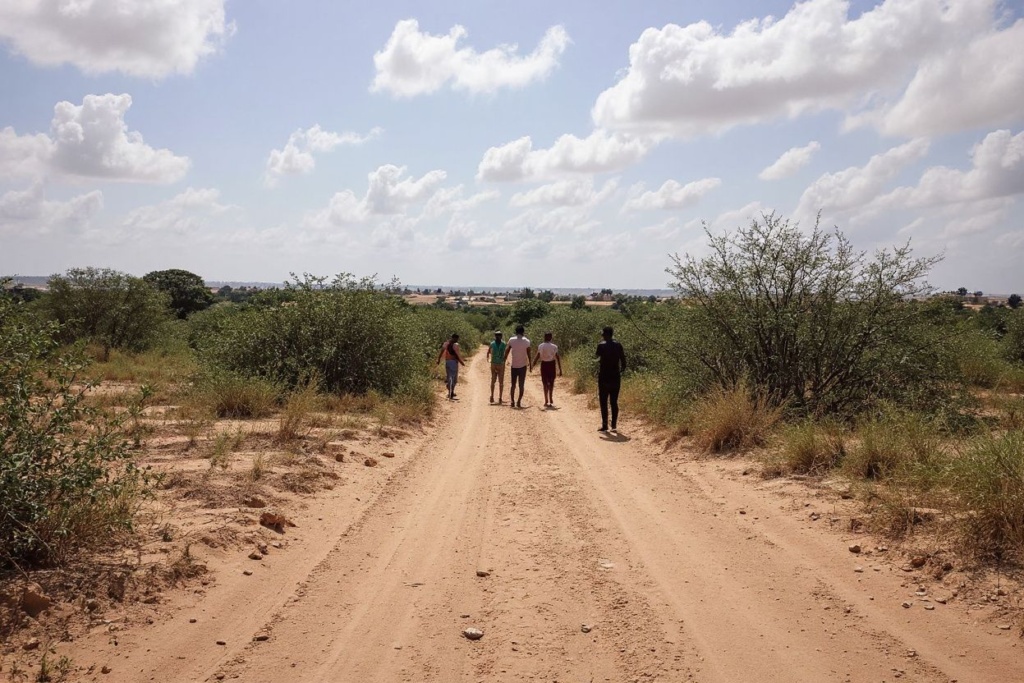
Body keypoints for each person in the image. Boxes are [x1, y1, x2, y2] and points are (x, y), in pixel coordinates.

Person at [595, 326, 626, 431]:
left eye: (603, 334)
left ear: (606, 334)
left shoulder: (601, 345)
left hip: (604, 376)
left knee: (603, 401)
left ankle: (604, 425)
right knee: (614, 401)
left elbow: (598, 357)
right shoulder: (618, 345)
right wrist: (619, 371)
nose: (602, 336)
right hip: (615, 376)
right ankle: (614, 425)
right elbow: (624, 362)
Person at [506, 325, 532, 408]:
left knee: (513, 385)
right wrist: (530, 364)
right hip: (523, 366)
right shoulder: (527, 341)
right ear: (523, 332)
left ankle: (512, 402)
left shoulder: (511, 340)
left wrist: (504, 360)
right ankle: (519, 402)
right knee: (521, 385)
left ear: (516, 332)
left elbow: (507, 351)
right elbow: (529, 354)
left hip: (514, 366)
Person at [534, 331, 562, 407]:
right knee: (552, 382)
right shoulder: (554, 346)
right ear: (551, 337)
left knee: (544, 382)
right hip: (552, 365)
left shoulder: (540, 346)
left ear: (544, 337)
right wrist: (560, 369)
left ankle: (546, 399)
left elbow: (537, 356)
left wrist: (533, 364)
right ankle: (550, 397)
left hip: (544, 365)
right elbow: (558, 358)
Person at [435, 333, 466, 400]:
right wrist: (461, 362)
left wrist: (438, 359)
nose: (457, 340)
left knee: (449, 377)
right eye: (457, 339)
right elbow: (456, 355)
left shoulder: (446, 343)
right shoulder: (455, 345)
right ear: (455, 338)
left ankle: (450, 391)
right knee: (454, 379)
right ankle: (451, 393)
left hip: (447, 362)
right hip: (453, 363)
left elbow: (441, 351)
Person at [485, 330, 508, 403]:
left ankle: (500, 397)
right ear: (495, 336)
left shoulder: (504, 344)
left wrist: (504, 359)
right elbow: (488, 352)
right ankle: (492, 396)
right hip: (495, 364)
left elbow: (506, 352)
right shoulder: (492, 344)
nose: (498, 336)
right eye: (497, 335)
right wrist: (488, 359)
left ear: (501, 336)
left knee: (500, 382)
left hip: (500, 364)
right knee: (493, 380)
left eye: (499, 335)